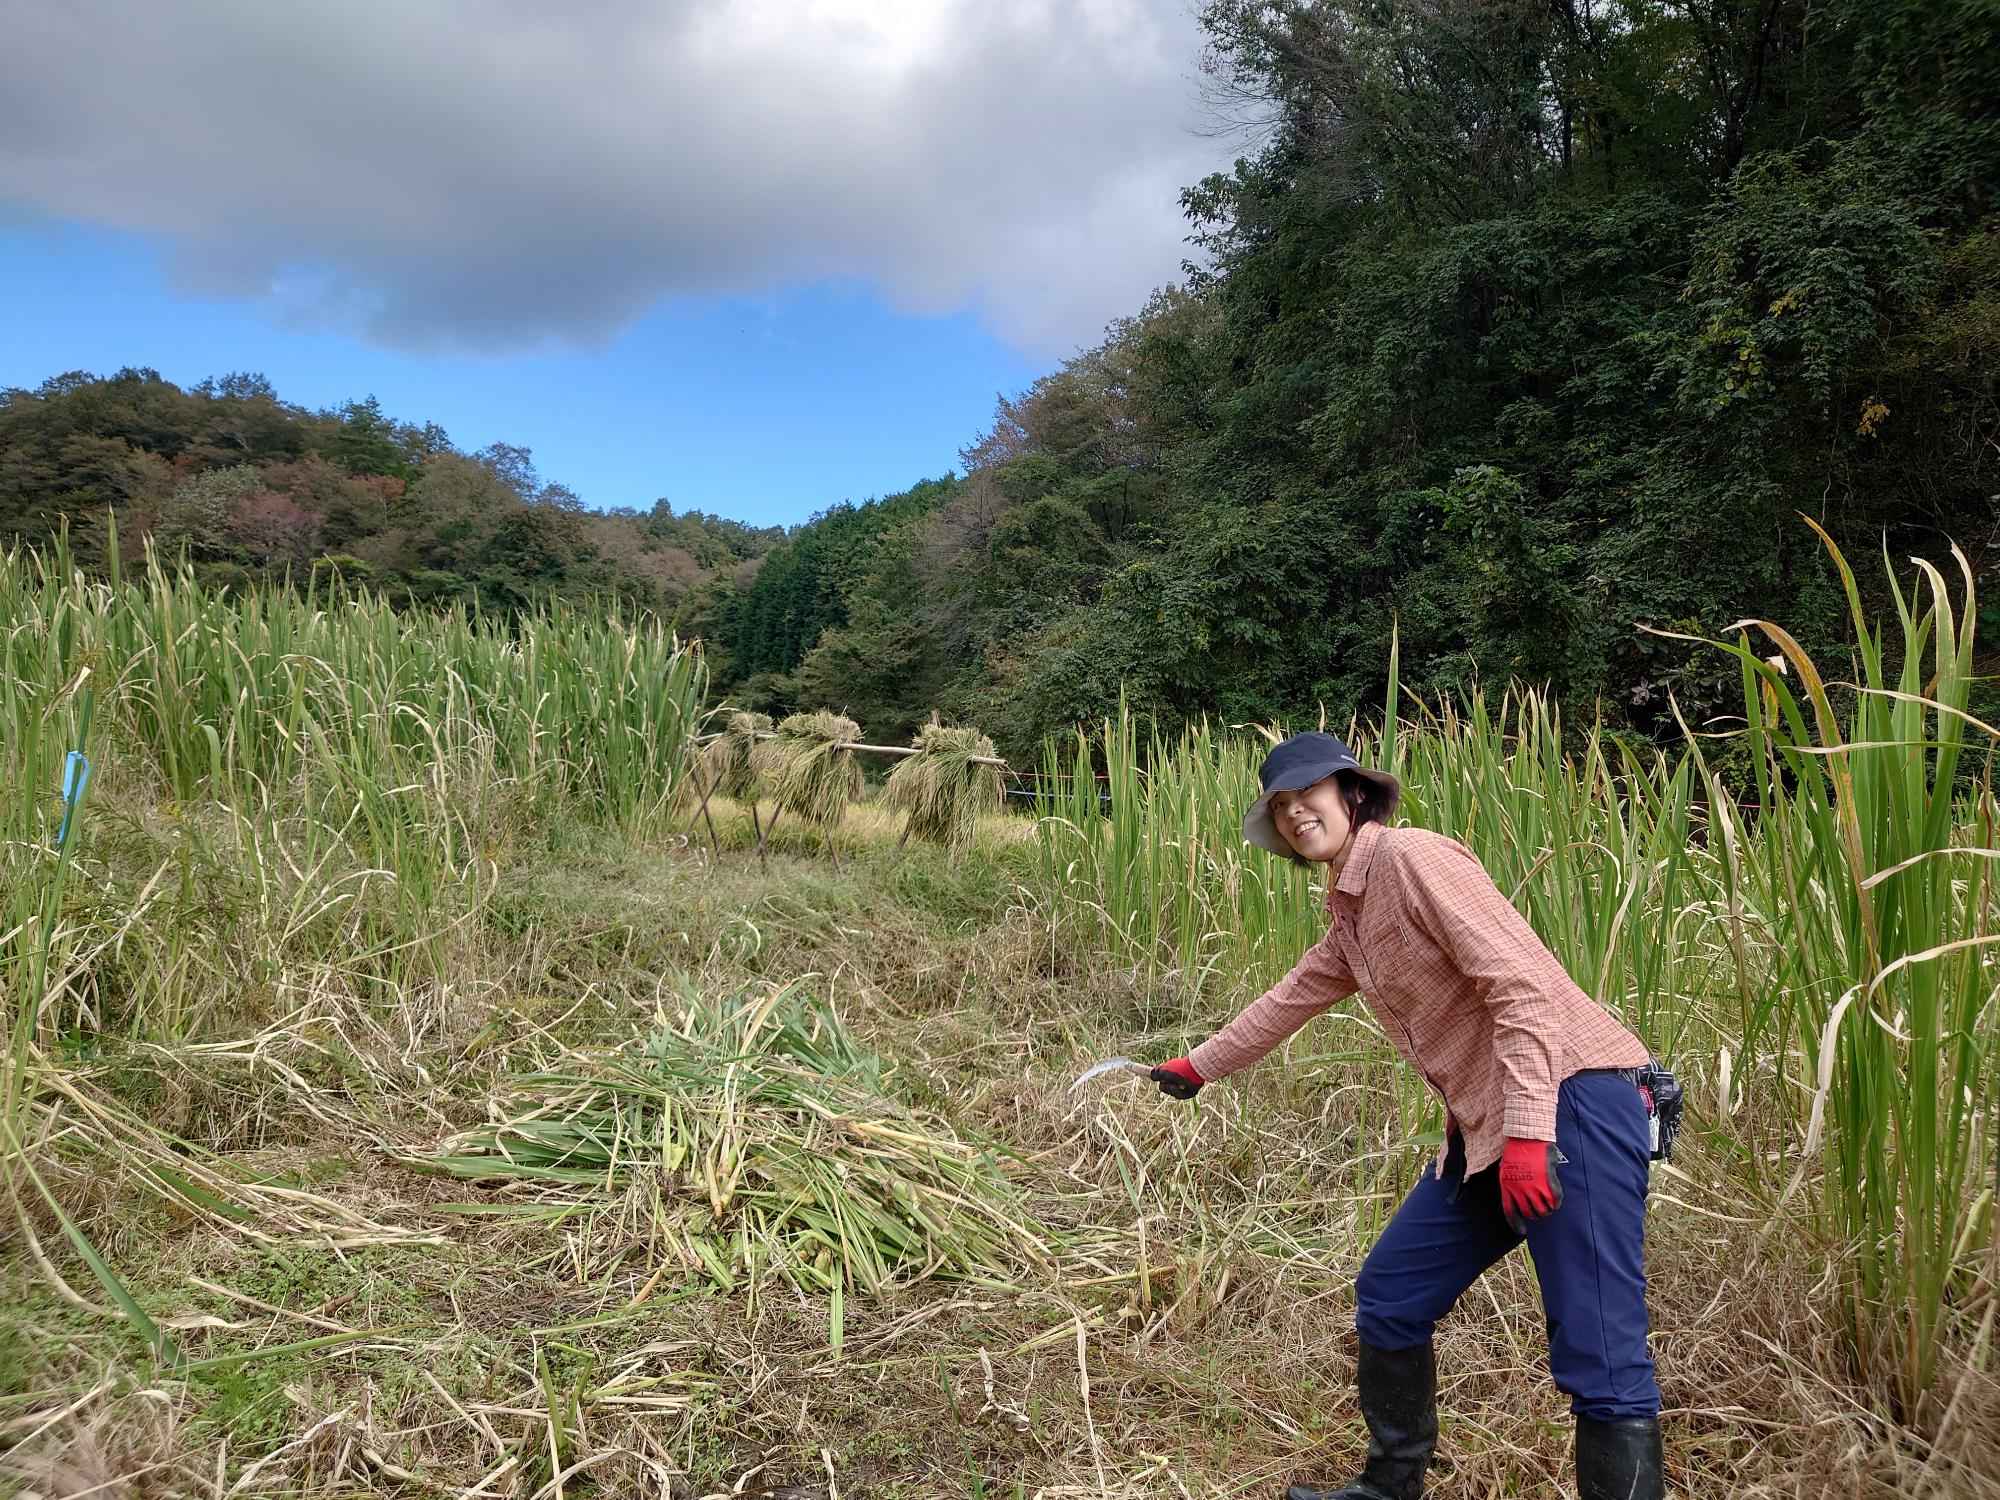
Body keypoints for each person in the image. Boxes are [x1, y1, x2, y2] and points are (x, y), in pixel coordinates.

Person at [1148, 731, 1665, 1500]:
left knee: (1601, 1354)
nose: (1295, 815)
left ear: (1352, 795)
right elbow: (1289, 1000)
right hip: (1493, 1129)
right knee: (1392, 1294)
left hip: (1572, 1102)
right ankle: (1390, 1488)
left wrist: (1529, 1132)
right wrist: (1198, 1066)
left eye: (1307, 796)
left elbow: (1520, 988)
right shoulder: (1352, 914)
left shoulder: (1412, 858)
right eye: (1281, 808)